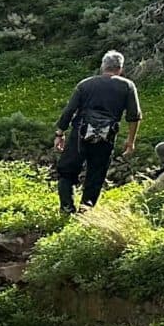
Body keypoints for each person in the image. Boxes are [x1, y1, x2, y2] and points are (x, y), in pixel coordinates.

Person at [54, 50, 141, 213]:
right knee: (96, 174)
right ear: (120, 68)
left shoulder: (85, 84)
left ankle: (67, 208)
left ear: (103, 66)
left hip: (80, 135)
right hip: (106, 138)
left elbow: (69, 110)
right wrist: (131, 141)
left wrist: (60, 133)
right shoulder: (127, 86)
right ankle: (85, 211)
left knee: (67, 170)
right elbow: (134, 117)